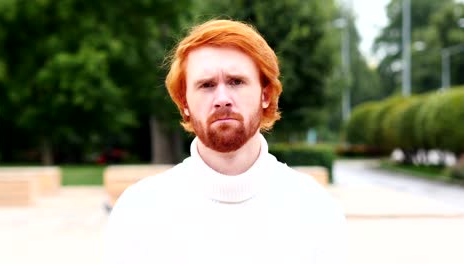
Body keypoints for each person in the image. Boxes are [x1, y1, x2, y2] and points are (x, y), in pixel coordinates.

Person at [104, 19, 348, 264]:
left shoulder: (315, 210)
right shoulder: (139, 211)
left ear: (265, 94)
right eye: (206, 85)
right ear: (184, 103)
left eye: (236, 81)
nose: (222, 99)